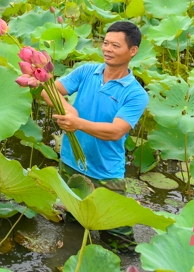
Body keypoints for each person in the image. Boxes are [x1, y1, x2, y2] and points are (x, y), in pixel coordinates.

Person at [41, 20, 149, 252]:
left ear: (133, 51)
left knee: (121, 243)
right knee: (74, 227)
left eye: (115, 46)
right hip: (70, 164)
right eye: (105, 43)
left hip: (106, 173)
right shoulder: (87, 71)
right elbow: (48, 89)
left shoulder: (136, 94)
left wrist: (77, 123)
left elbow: (116, 131)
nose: (107, 49)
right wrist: (69, 109)